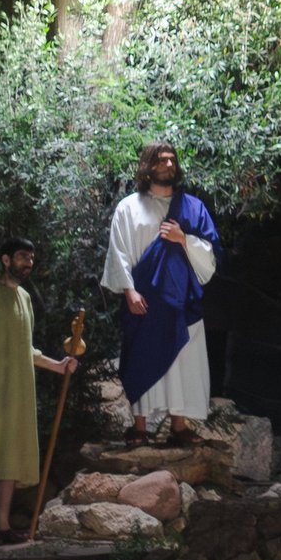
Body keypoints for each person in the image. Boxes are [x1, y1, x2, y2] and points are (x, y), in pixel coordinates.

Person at [0, 237, 78, 547]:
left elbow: (28, 351)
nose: (29, 263)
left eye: (32, 258)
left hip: (16, 395)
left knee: (9, 458)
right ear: (6, 260)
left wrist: (59, 365)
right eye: (23, 257)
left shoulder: (24, 298)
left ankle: (2, 524)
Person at [99, 142, 219, 447]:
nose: (168, 164)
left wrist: (183, 239)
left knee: (181, 360)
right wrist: (129, 291)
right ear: (147, 166)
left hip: (181, 300)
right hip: (144, 299)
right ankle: (139, 427)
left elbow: (210, 253)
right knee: (142, 357)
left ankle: (179, 427)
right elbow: (119, 251)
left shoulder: (192, 207)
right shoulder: (129, 207)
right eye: (161, 160)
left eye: (172, 160)